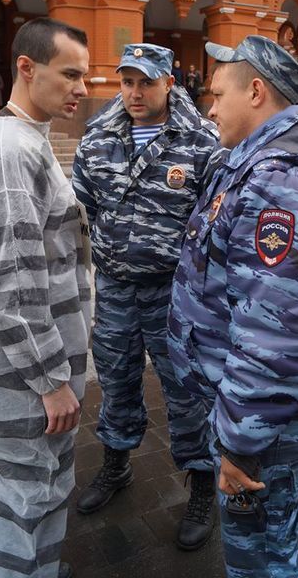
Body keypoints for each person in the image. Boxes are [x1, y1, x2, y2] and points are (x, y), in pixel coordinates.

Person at [168, 35, 298, 577]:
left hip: (265, 428)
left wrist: (240, 444)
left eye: (216, 93)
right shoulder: (256, 161)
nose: (209, 106)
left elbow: (278, 339)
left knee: (266, 559)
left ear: (255, 92)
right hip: (262, 418)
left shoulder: (279, 185)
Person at [72, 43, 220, 551]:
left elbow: (215, 220)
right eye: (128, 81)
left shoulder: (202, 142)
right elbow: (85, 207)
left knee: (188, 388)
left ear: (169, 83)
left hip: (174, 293)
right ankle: (116, 466)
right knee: (114, 378)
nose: (136, 93)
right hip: (114, 287)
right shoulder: (97, 139)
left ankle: (202, 483)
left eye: (147, 82)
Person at [0, 17, 91, 578]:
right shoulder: (9, 152)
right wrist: (50, 383)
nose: (82, 89)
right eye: (70, 74)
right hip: (25, 384)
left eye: (85, 76)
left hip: (28, 377)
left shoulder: (25, 140)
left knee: (22, 499)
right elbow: (9, 286)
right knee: (27, 502)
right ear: (26, 67)